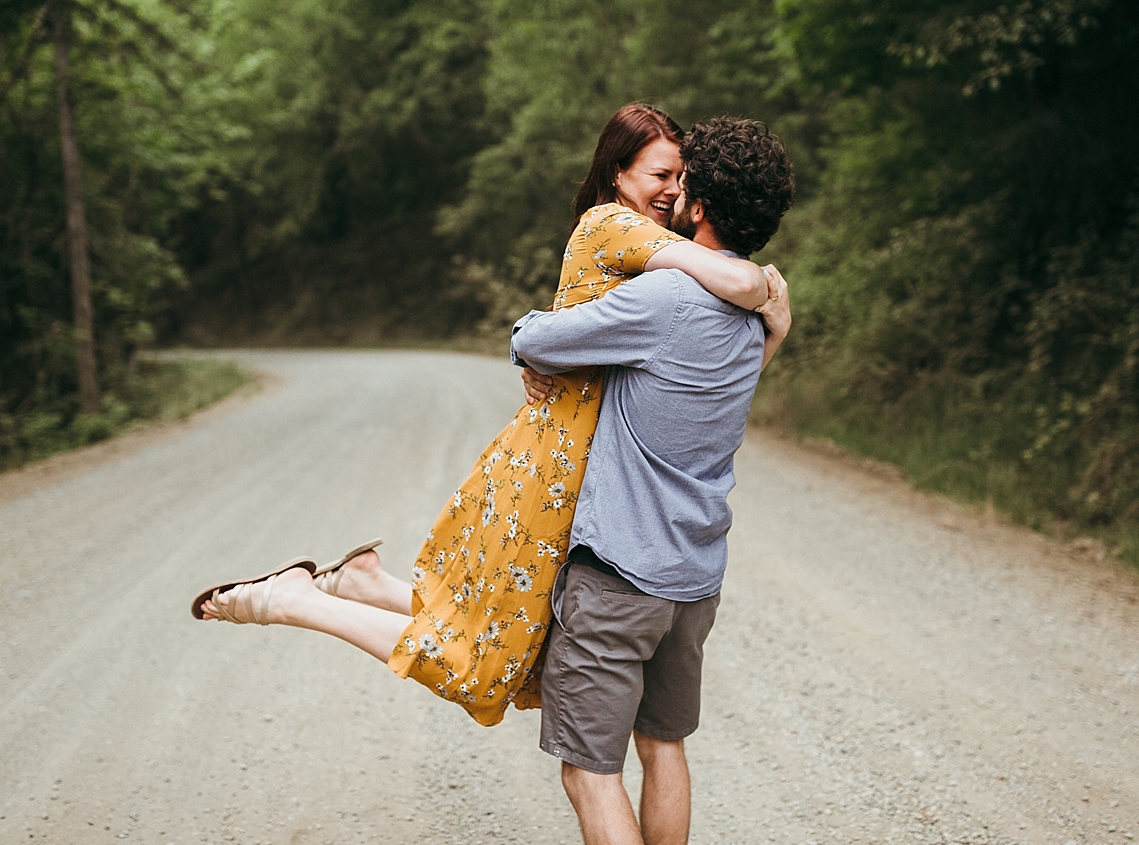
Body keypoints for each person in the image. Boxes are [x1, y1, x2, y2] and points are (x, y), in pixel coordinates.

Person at [191, 104, 791, 728]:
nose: (672, 191)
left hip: (589, 477)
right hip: (556, 471)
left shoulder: (657, 259)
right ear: (617, 175)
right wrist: (767, 296)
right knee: (484, 658)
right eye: (658, 175)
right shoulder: (617, 225)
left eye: (679, 177)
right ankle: (290, 602)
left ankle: (366, 585)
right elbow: (741, 284)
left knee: (520, 640)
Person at [509, 116, 793, 845]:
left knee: (589, 774)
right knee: (662, 746)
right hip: (694, 577)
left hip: (620, 576)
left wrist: (524, 338)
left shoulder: (663, 299)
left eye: (682, 180)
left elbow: (540, 337)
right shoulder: (761, 311)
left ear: (698, 203)